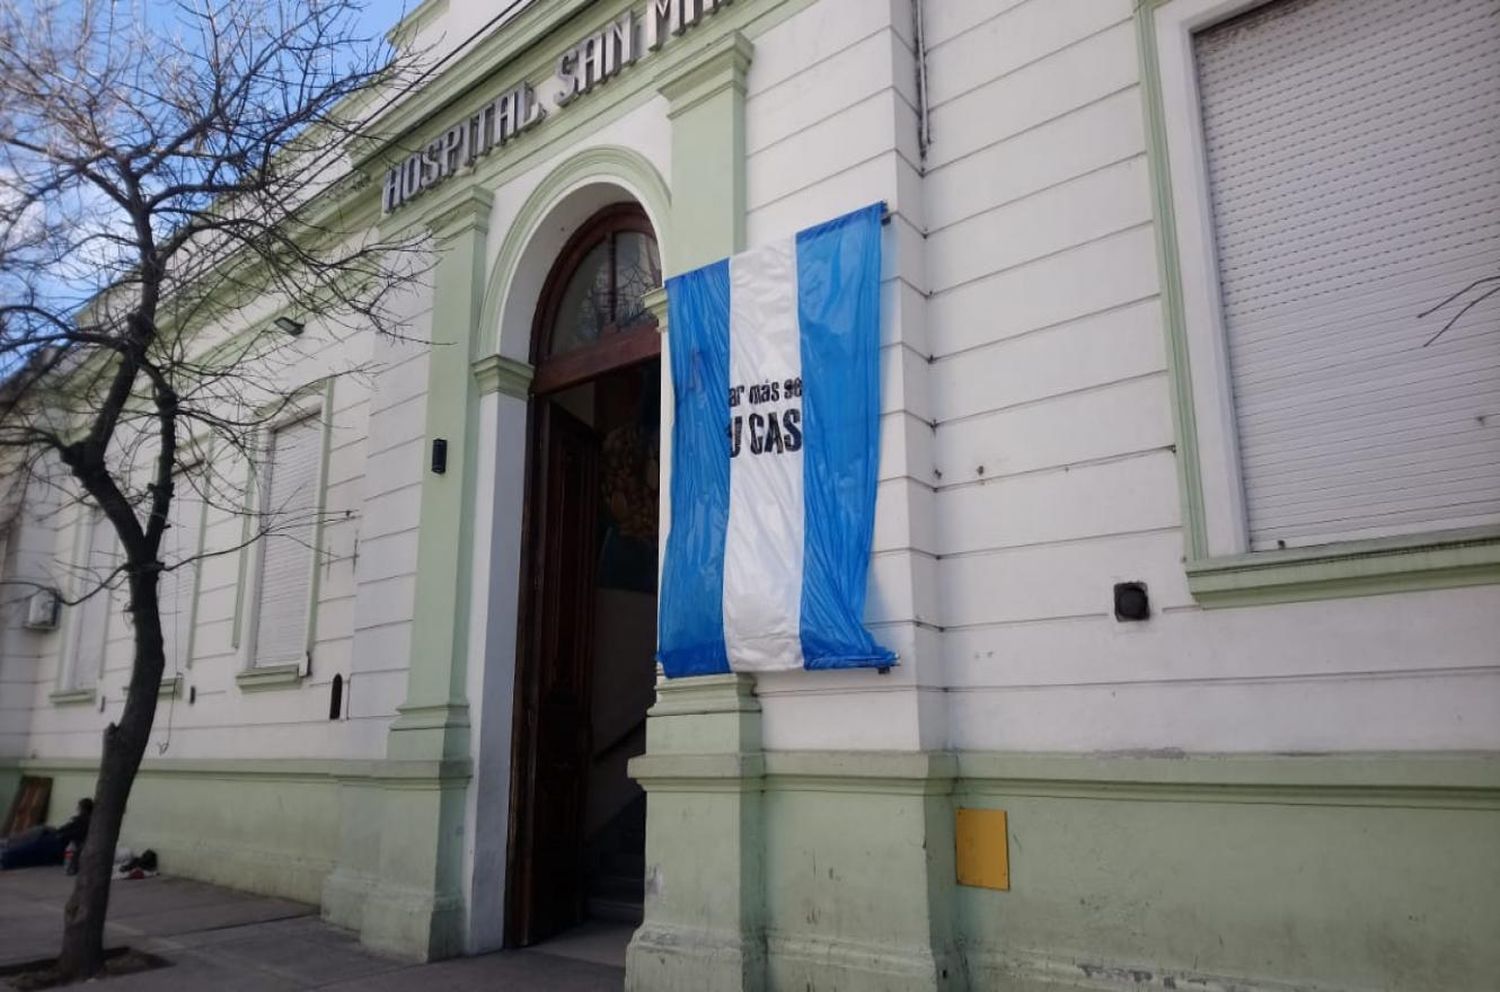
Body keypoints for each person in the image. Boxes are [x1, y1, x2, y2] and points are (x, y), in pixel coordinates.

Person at [0, 798, 92, 870]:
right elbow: (66, 829)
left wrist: (60, 834)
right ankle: (8, 845)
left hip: (61, 842)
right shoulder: (80, 819)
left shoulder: (85, 821)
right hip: (59, 838)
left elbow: (74, 833)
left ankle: (6, 855)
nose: (78, 809)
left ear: (83, 809)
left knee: (32, 846)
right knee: (39, 831)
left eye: (79, 807)